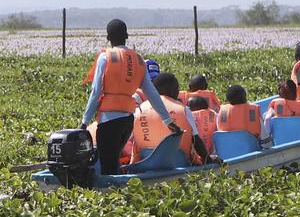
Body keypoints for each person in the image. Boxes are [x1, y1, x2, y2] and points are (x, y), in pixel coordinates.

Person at [82, 20, 181, 174]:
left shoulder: (105, 58)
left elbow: (96, 92)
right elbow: (152, 93)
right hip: (128, 121)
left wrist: (85, 122)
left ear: (108, 37)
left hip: (109, 121)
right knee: (113, 160)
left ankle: (112, 194)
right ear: (127, 36)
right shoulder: (139, 60)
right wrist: (167, 120)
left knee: (108, 166)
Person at [131, 73, 214, 165]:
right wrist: (208, 160)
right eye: (177, 88)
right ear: (171, 90)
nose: (178, 92)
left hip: (146, 163)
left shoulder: (138, 110)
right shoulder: (183, 109)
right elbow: (195, 140)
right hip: (179, 162)